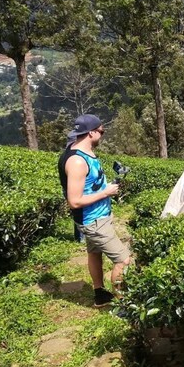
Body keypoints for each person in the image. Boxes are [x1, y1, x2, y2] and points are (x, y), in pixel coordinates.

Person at [58, 114, 131, 308]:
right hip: (94, 220)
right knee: (124, 261)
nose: (102, 135)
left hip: (98, 217)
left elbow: (88, 186)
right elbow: (74, 201)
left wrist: (105, 188)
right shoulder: (77, 162)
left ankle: (100, 294)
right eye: (101, 132)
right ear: (91, 133)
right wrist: (105, 192)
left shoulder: (84, 153)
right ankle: (123, 304)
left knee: (94, 253)